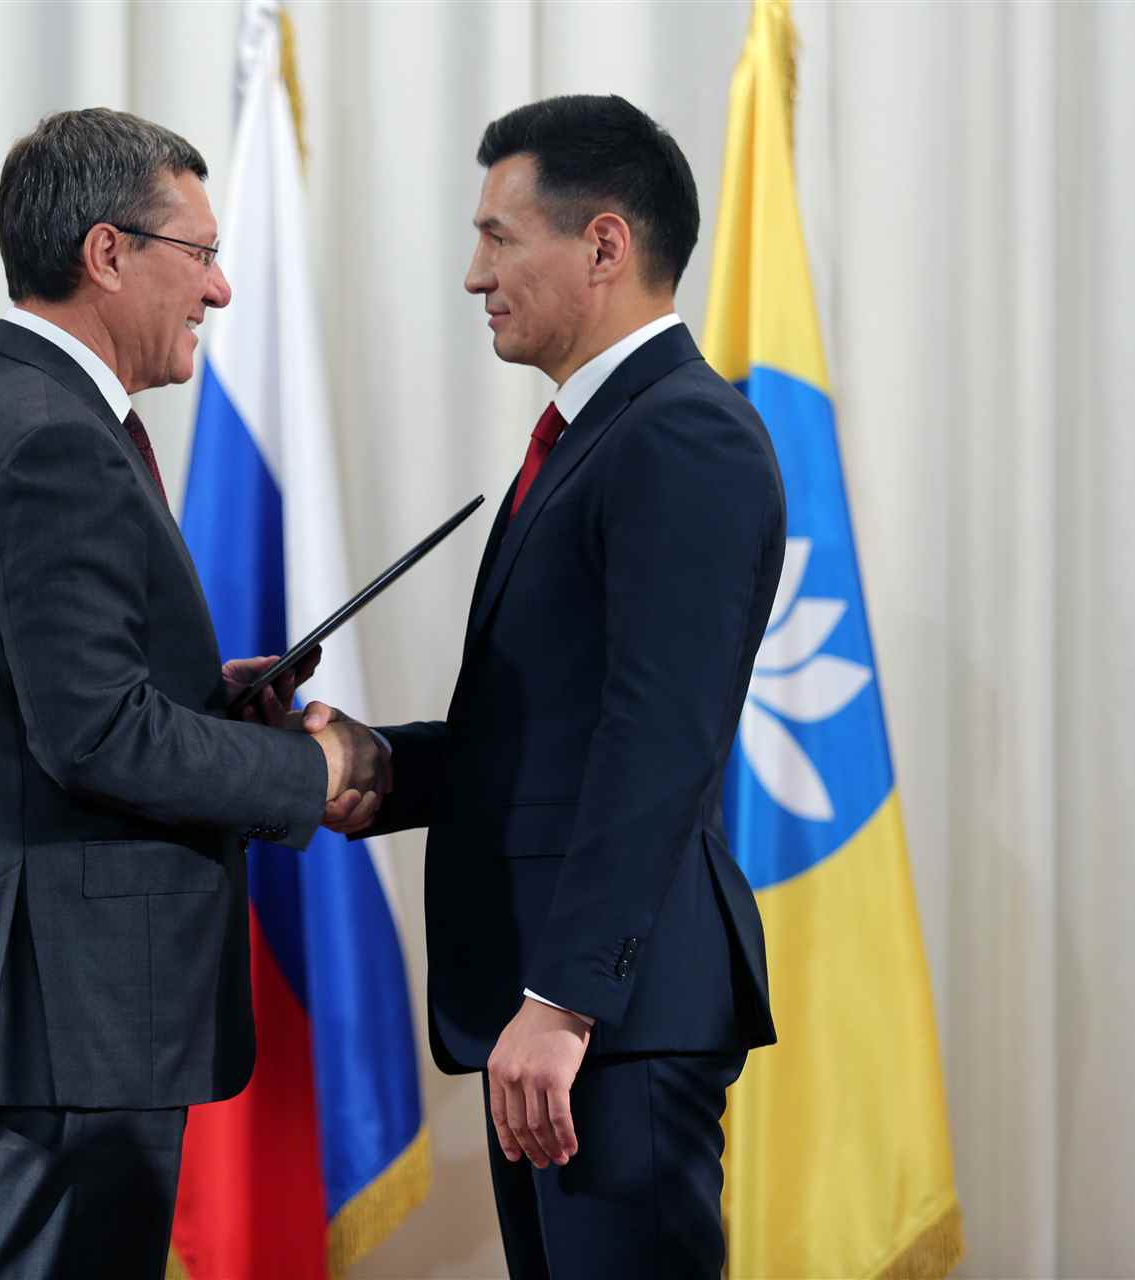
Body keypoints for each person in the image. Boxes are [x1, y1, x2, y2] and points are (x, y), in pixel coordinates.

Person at [0, 108, 387, 1278]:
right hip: (74, 1003)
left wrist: (198, 691)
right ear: (107, 252)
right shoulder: (54, 439)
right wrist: (311, 767)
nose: (221, 289)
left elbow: (40, 692)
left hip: (37, 990)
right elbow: (95, 733)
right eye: (200, 254)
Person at [322, 94, 784, 1277]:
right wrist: (370, 760)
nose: (474, 274)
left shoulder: (684, 433)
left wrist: (567, 999)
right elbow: (546, 737)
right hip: (555, 1014)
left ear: (604, 244)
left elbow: (657, 740)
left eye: (498, 235)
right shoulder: (591, 436)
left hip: (605, 1019)